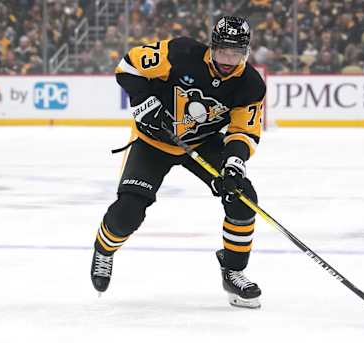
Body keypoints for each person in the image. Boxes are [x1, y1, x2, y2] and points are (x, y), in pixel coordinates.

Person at [90, 16, 266, 309]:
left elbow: (244, 131)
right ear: (212, 46)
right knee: (127, 214)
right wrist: (146, 104)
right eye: (222, 50)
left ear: (246, 52)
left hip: (202, 143)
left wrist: (234, 163)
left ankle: (233, 270)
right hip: (153, 142)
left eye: (235, 53)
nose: (227, 59)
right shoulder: (181, 53)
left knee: (243, 199)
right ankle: (104, 249)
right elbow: (129, 65)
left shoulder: (250, 84)